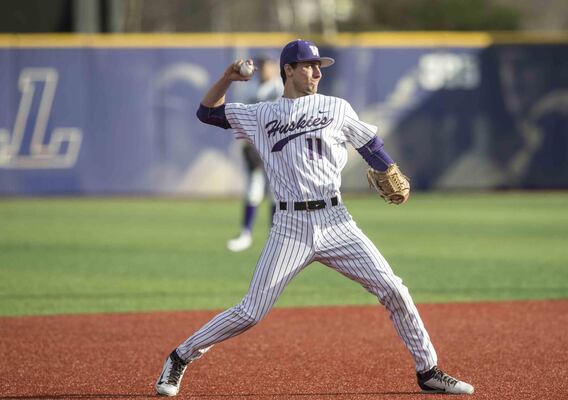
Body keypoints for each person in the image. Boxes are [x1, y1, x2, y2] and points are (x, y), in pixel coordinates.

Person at [155, 39, 474, 396]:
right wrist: (228, 78)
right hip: (290, 228)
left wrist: (389, 169)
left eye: (319, 65)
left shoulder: (336, 107)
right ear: (288, 69)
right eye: (308, 65)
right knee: (251, 312)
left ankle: (428, 370)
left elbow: (370, 143)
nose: (317, 71)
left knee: (394, 289)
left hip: (337, 222)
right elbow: (207, 113)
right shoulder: (261, 114)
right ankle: (180, 356)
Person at [227, 55, 284, 252]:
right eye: (263, 66)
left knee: (278, 193)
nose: (266, 69)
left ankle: (275, 236)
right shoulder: (248, 89)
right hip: (255, 145)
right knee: (253, 189)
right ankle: (245, 233)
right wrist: (245, 144)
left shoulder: (282, 88)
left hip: (279, 147)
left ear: (276, 68)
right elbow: (241, 117)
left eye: (269, 65)